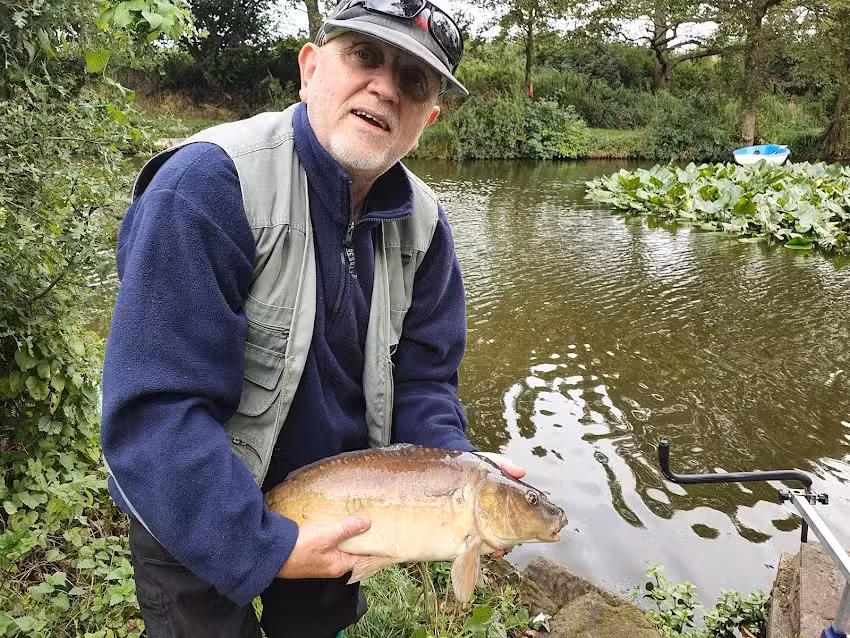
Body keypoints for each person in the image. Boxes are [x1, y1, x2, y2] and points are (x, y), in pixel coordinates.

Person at [100, 1, 525, 636]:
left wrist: (460, 473)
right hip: (195, 501)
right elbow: (156, 411)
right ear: (310, 69)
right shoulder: (206, 185)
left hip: (342, 501)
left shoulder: (427, 227)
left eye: (414, 81)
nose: (385, 88)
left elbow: (425, 381)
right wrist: (259, 545)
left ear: (427, 119)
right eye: (364, 56)